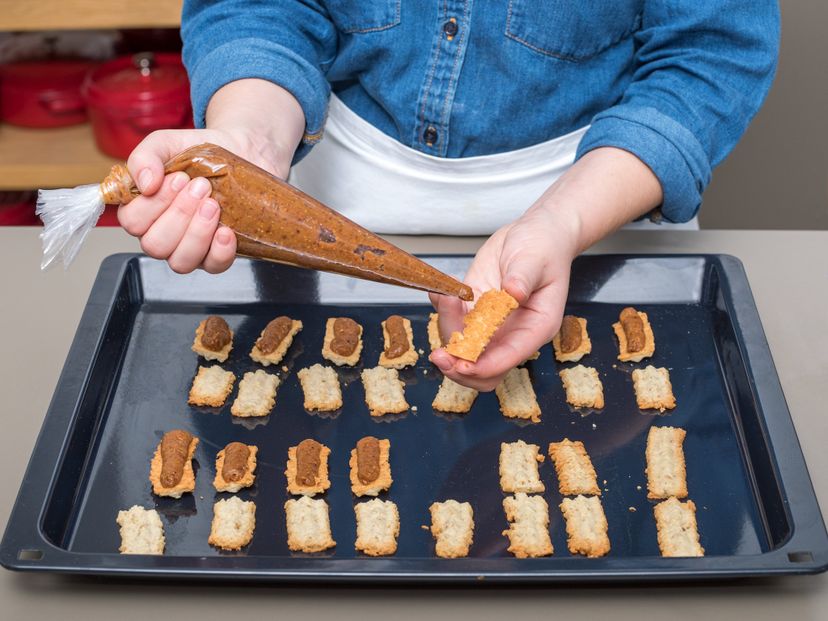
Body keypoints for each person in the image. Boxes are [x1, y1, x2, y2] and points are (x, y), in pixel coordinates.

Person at [117, 1, 780, 391]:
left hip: (604, 202)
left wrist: (563, 217)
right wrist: (248, 147)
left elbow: (709, 54)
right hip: (321, 201)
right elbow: (259, 8)